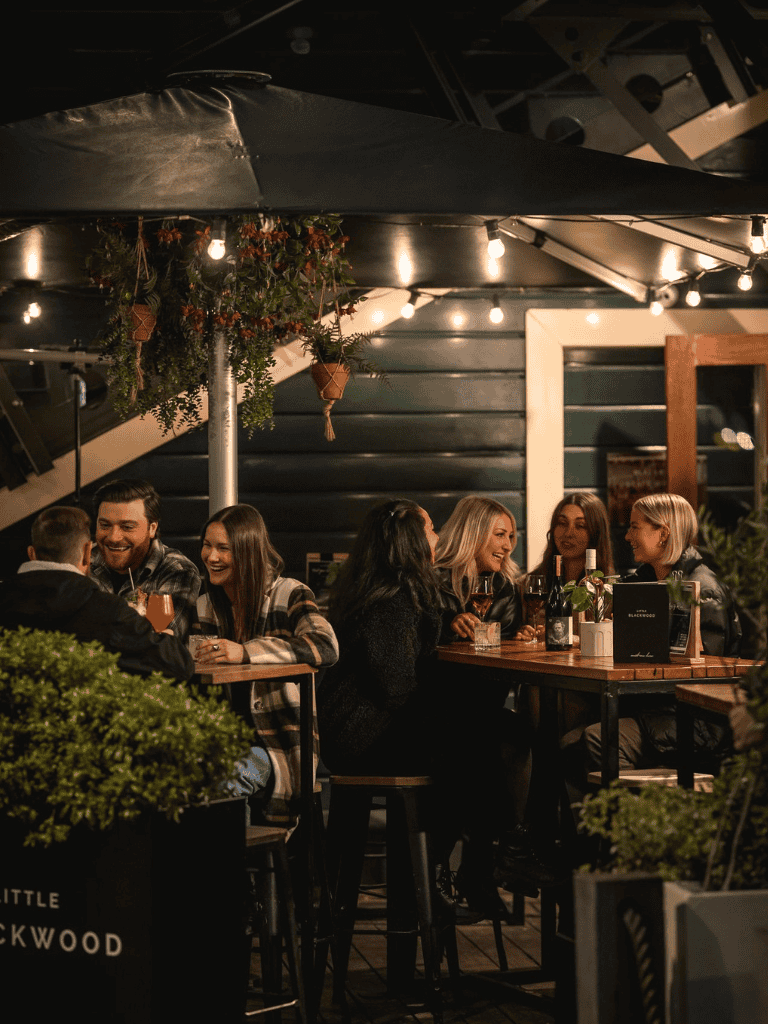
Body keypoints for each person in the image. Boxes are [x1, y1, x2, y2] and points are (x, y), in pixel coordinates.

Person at [318, 497, 541, 922]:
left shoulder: (406, 590)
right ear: (409, 541)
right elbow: (397, 686)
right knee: (475, 738)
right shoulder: (390, 598)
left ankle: (481, 860)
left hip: (376, 727)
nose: (438, 536)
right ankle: (456, 868)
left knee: (489, 732)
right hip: (361, 736)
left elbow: (417, 662)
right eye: (430, 529)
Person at [562, 492, 742, 806]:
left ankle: (628, 841)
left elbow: (703, 675)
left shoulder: (703, 590)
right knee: (566, 741)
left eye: (634, 527)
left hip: (696, 719)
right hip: (654, 707)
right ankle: (584, 845)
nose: (627, 536)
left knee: (597, 738)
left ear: (663, 533)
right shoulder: (645, 581)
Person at [433, 495, 557, 900]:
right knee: (489, 744)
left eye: (512, 537)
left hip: (477, 706)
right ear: (472, 533)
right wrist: (449, 625)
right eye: (500, 535)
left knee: (515, 736)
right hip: (432, 708)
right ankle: (488, 861)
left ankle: (482, 861)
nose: (508, 546)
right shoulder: (432, 581)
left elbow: (494, 648)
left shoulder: (503, 587)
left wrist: (518, 637)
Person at [192, 503, 339, 827]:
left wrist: (246, 652)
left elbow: (326, 646)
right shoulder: (205, 606)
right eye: (207, 545)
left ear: (247, 552)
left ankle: (237, 873)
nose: (211, 557)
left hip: (275, 748)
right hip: (220, 744)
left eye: (223, 548)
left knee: (219, 787)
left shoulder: (289, 593)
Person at [0, 505, 194, 681]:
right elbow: (179, 666)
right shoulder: (109, 611)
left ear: (32, 553)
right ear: (87, 553)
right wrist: (165, 638)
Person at [89, 478, 201, 641]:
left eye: (127, 527)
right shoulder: (82, 560)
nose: (114, 537)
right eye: (105, 525)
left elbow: (163, 642)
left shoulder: (176, 569)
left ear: (152, 528)